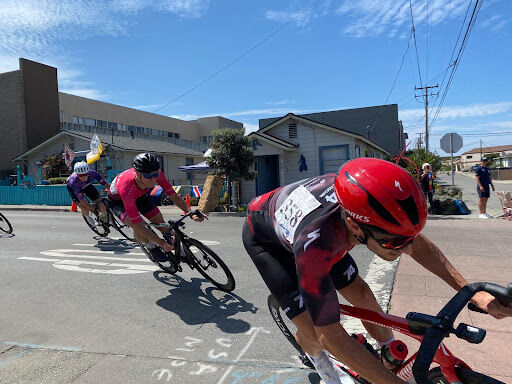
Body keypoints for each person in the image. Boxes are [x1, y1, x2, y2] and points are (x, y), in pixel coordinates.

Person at [242, 158, 512, 384]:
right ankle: (325, 370)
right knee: (314, 330)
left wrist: (474, 295)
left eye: (409, 238)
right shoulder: (315, 242)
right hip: (267, 240)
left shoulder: (361, 211)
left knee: (360, 292)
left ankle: (387, 349)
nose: (405, 248)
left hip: (327, 230)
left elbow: (416, 245)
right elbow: (331, 334)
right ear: (355, 226)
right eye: (394, 241)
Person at [107, 153, 204, 264]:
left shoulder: (156, 174)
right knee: (137, 225)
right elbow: (139, 225)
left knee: (160, 224)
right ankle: (151, 247)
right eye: (149, 176)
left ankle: (182, 253)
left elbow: (173, 196)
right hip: (118, 201)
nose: (153, 180)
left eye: (155, 175)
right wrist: (161, 243)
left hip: (140, 196)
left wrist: (189, 212)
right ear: (138, 174)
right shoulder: (126, 188)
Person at [66, 161, 110, 226]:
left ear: (88, 172)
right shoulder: (73, 182)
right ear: (77, 174)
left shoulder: (93, 173)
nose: (83, 177)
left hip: (86, 185)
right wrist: (91, 207)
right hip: (74, 188)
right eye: (80, 175)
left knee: (100, 203)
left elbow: (106, 184)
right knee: (84, 207)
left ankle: (102, 220)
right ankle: (88, 218)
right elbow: (82, 200)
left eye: (85, 174)